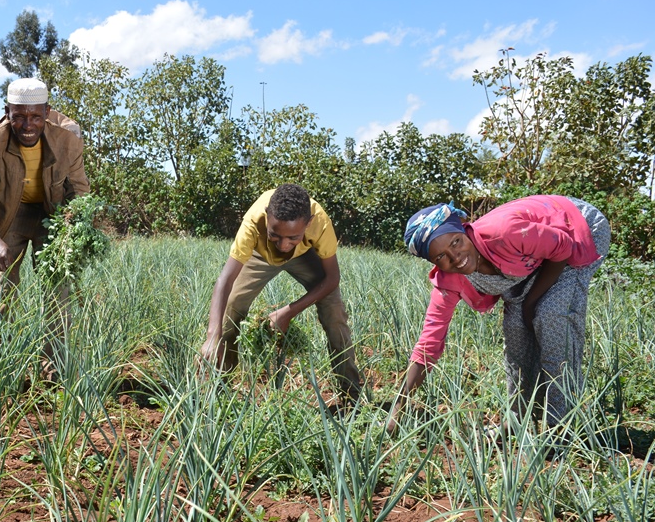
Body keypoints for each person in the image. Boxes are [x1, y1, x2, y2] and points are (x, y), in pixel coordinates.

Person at [388, 195, 610, 435]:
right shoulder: (449, 280)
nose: (455, 258)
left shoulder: (504, 233)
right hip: (538, 252)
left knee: (550, 317)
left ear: (463, 229)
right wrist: (398, 408)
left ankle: (560, 427)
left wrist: (531, 302)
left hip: (577, 228)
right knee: (516, 331)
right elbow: (428, 344)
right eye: (440, 257)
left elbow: (562, 247)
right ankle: (516, 421)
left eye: (455, 242)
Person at [199, 184, 364, 402]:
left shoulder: (320, 222)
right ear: (267, 217)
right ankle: (220, 393)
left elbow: (332, 278)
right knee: (232, 308)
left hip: (304, 255)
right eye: (275, 236)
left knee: (334, 311)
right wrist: (213, 335)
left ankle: (350, 392)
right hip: (260, 254)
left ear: (309, 223)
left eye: (292, 237)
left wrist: (288, 312)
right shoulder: (253, 220)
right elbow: (225, 279)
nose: (284, 245)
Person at [0, 77, 90, 297]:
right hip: (10, 214)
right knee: (2, 290)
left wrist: (72, 225)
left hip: (52, 215)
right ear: (7, 112)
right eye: (19, 117)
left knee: (58, 290)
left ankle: (55, 333)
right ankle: (2, 332)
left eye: (36, 117)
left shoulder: (68, 139)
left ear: (47, 112)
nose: (28, 126)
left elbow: (79, 189)